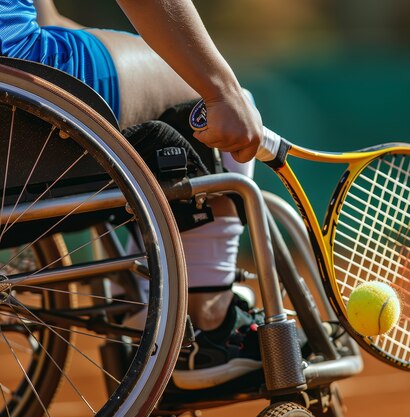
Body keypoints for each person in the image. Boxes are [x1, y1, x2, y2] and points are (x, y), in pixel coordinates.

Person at [0, 0, 265, 389]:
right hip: (18, 84)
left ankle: (152, 296)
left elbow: (48, 17)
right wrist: (221, 89)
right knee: (213, 86)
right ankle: (207, 315)